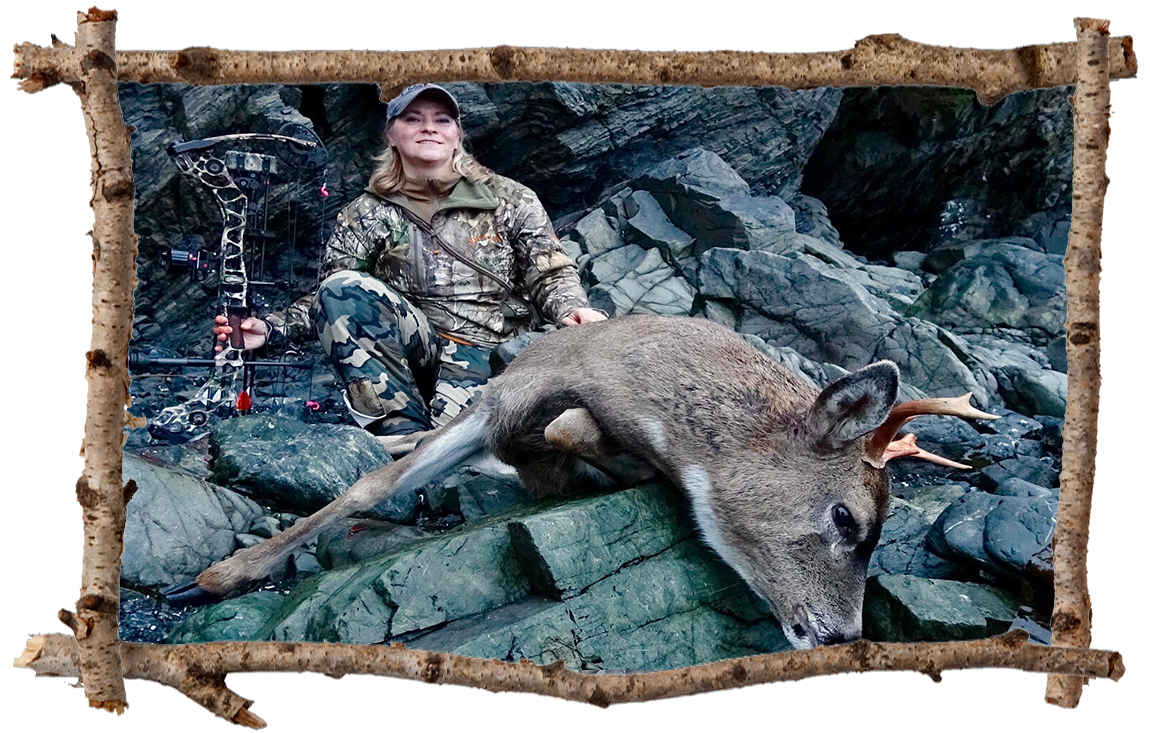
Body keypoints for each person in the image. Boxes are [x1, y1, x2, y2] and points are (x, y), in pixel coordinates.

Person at [213, 83, 606, 453]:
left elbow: (550, 272)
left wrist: (572, 309)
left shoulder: (509, 198)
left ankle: (430, 451)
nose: (429, 128)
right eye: (413, 119)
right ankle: (400, 436)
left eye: (442, 120)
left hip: (496, 353)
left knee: (465, 449)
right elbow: (328, 295)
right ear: (391, 134)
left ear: (457, 134)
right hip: (417, 349)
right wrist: (270, 329)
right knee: (342, 288)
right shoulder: (365, 213)